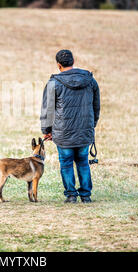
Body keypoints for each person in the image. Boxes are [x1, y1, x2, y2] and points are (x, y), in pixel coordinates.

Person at [40, 50, 100, 204]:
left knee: (66, 163)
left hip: (63, 133)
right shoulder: (90, 80)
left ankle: (71, 195)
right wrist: (91, 125)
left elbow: (48, 110)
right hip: (84, 131)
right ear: (73, 61)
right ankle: (86, 195)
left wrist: (47, 131)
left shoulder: (54, 83)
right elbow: (96, 106)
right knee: (83, 162)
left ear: (58, 65)